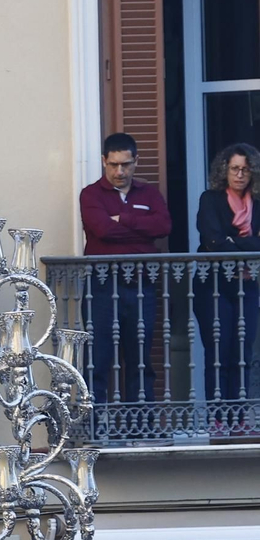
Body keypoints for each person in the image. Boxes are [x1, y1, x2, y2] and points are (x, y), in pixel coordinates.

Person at [79, 133, 172, 406]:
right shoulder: (91, 194)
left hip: (141, 285)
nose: (120, 171)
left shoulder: (149, 194)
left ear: (136, 162)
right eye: (114, 165)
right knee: (98, 358)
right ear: (104, 161)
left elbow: (164, 227)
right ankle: (94, 428)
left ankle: (141, 427)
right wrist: (141, 232)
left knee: (140, 359)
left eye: (127, 164)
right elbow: (102, 230)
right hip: (102, 286)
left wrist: (125, 218)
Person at [192, 144, 260, 409]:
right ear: (225, 170)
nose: (240, 174)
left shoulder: (257, 204)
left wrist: (230, 241)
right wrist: (249, 244)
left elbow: (224, 242)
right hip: (213, 286)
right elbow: (212, 240)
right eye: (234, 168)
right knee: (218, 353)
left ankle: (239, 418)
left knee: (242, 354)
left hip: (247, 285)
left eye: (245, 169)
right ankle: (218, 418)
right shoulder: (210, 199)